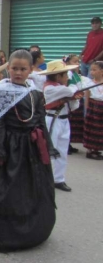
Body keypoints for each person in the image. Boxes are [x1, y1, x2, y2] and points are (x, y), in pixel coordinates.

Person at [0, 49, 57, 253]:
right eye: (14, 68)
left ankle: (34, 228)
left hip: (30, 147)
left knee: (29, 187)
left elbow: (40, 120)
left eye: (23, 69)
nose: (18, 73)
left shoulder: (34, 92)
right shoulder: (0, 92)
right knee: (2, 187)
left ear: (31, 69)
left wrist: (46, 145)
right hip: (7, 145)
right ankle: (1, 230)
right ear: (8, 69)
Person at [40, 60, 82, 192]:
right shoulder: (50, 88)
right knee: (50, 150)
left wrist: (75, 99)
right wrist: (74, 92)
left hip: (64, 120)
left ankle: (59, 179)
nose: (68, 78)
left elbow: (74, 105)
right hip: (53, 120)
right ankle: (45, 178)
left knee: (62, 151)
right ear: (58, 76)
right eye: (65, 75)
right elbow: (70, 91)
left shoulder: (60, 88)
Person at [66, 55, 86, 154]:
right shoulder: (67, 74)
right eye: (74, 61)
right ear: (68, 63)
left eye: (78, 61)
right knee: (69, 124)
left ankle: (70, 143)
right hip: (71, 100)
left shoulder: (76, 74)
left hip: (78, 100)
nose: (77, 64)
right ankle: (66, 145)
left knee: (74, 125)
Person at [83, 61, 103, 160]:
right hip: (93, 106)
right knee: (92, 128)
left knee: (99, 129)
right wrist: (86, 109)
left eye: (94, 70)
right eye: (91, 70)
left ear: (102, 71)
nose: (91, 72)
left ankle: (96, 149)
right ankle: (90, 150)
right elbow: (87, 97)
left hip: (101, 107)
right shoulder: (89, 83)